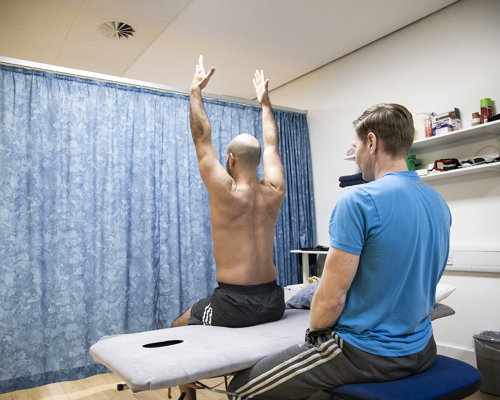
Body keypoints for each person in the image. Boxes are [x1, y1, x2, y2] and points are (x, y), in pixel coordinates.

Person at [227, 103, 452, 399]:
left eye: (356, 146)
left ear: (371, 143)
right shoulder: (438, 202)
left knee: (241, 388)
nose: (356, 156)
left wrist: (314, 336)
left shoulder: (359, 200)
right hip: (423, 348)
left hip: (366, 354)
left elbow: (330, 301)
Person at [171, 56, 286, 398]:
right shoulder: (275, 191)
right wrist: (265, 103)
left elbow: (200, 137)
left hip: (234, 304)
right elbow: (272, 145)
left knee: (178, 325)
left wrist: (195, 91)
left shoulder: (225, 191)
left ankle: (187, 395)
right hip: (274, 299)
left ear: (231, 160)